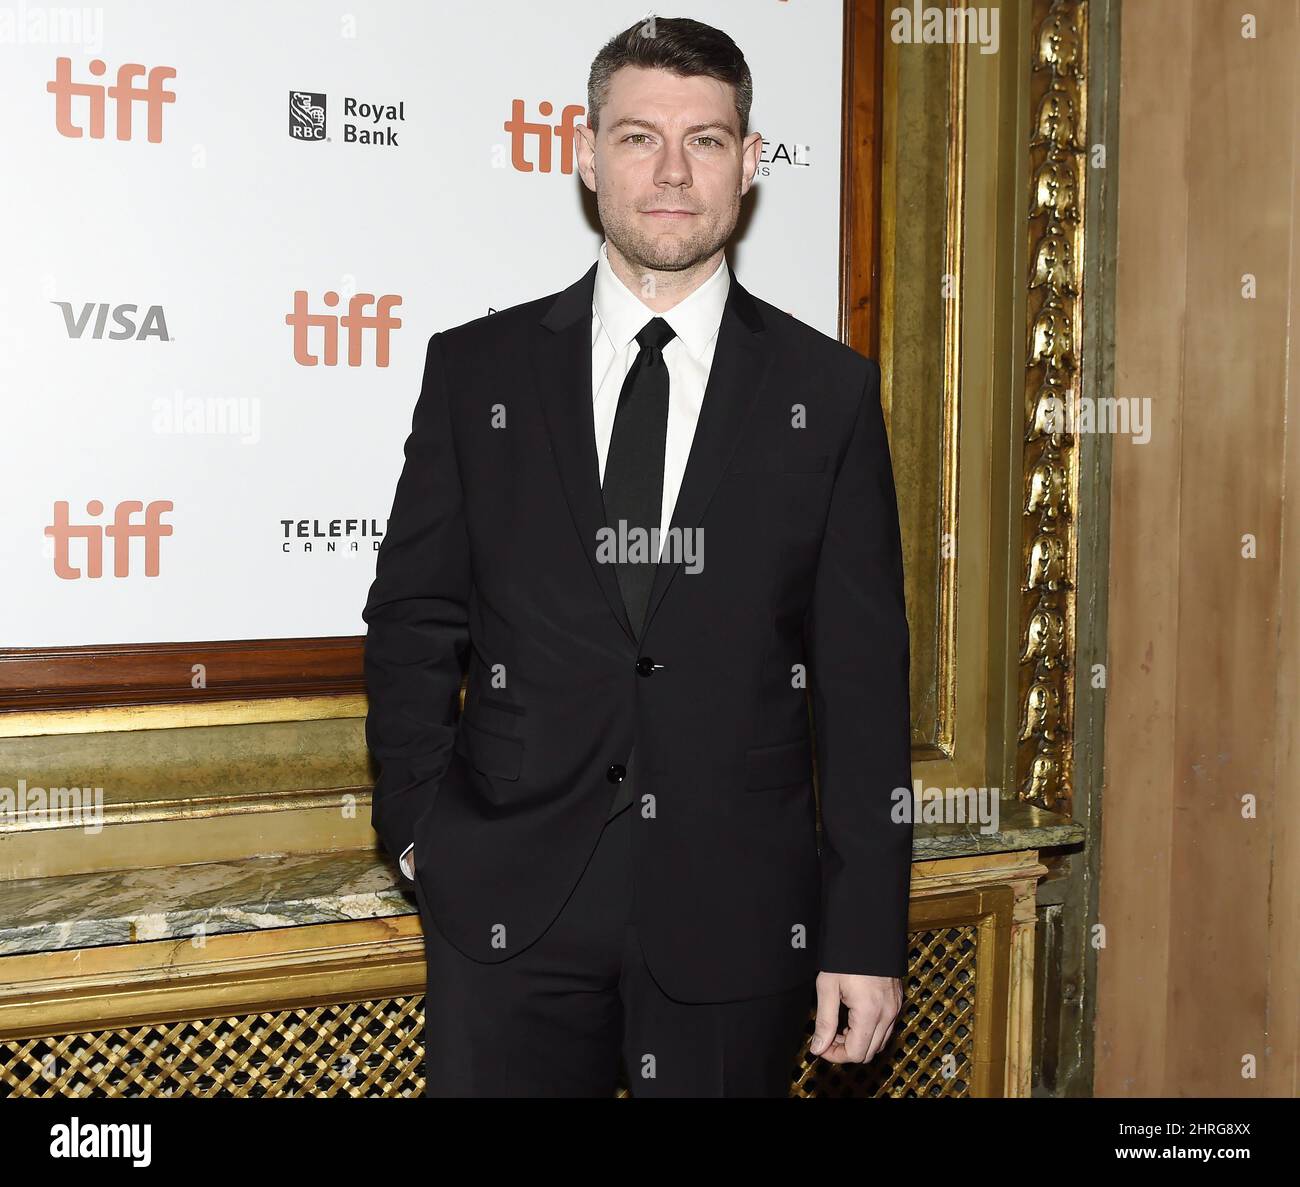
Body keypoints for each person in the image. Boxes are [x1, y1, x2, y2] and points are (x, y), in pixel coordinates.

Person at [361, 15, 913, 1098]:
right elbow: (415, 616)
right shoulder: (479, 372)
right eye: (637, 137)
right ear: (584, 153)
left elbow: (860, 682)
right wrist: (422, 836)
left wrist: (863, 929)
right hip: (507, 905)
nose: (670, 172)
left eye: (705, 140)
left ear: (750, 165)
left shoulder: (826, 393)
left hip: (738, 915)